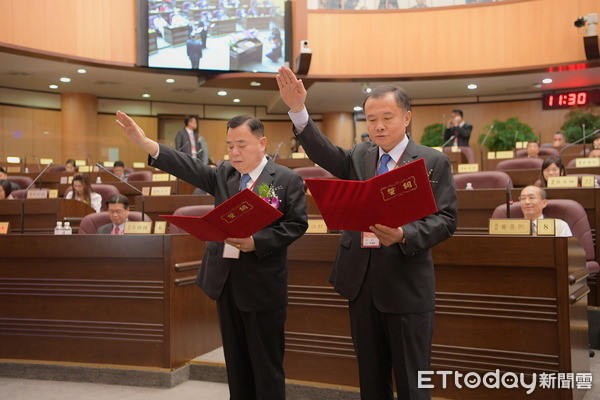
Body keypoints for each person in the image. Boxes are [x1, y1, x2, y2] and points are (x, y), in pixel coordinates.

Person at [277, 66, 457, 400]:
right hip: (361, 284)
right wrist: (299, 110)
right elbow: (324, 153)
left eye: (387, 117)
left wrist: (404, 234)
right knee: (371, 381)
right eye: (371, 119)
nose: (378, 126)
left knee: (413, 382)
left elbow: (446, 219)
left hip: (406, 286)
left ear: (407, 118)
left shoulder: (432, 162)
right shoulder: (360, 156)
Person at [115, 111, 308, 400]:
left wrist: (257, 241)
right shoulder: (224, 174)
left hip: (262, 286)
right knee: (236, 365)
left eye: (241, 144)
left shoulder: (285, 179)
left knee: (266, 367)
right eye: (230, 145)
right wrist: (146, 144)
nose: (234, 152)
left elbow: (296, 224)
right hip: (226, 282)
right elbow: (188, 166)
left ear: (262, 142)